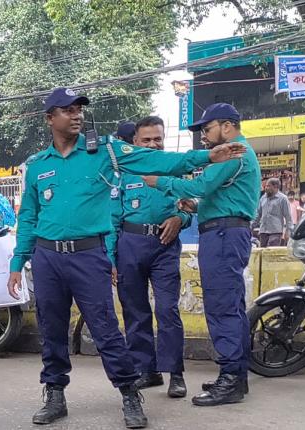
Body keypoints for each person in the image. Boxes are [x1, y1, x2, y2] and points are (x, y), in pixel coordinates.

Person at [6, 88, 244, 428]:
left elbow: (157, 161)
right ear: (50, 118)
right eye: (67, 110)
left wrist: (206, 158)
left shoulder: (106, 151)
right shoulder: (37, 166)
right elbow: (28, 217)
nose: (76, 115)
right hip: (47, 258)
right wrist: (18, 263)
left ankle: (130, 395)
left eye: (79, 110)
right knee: (51, 329)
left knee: (107, 331)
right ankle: (55, 394)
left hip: (88, 256)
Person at [144, 102, 260, 406]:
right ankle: (237, 376)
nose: (204, 137)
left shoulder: (233, 151)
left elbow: (201, 185)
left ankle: (231, 380)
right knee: (231, 306)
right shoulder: (239, 152)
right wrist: (195, 206)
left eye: (207, 129)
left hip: (223, 235)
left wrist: (160, 181)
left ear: (227, 126)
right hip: (226, 231)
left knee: (222, 307)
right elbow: (217, 196)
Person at [111, 116, 191, 399]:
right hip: (128, 245)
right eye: (146, 140)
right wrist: (110, 257)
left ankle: (176, 373)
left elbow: (191, 206)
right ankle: (147, 370)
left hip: (164, 245)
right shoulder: (121, 173)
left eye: (157, 138)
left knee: (167, 310)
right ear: (135, 143)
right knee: (134, 311)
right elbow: (111, 218)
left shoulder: (174, 170)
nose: (153, 144)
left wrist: (180, 218)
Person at [253, 178, 293, 247]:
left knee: (271, 253)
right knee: (262, 253)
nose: (265, 188)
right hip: (263, 231)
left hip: (275, 232)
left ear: (275, 187)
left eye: (268, 186)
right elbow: (258, 214)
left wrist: (288, 231)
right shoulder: (263, 198)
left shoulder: (283, 199)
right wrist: (251, 226)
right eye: (265, 186)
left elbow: (288, 216)